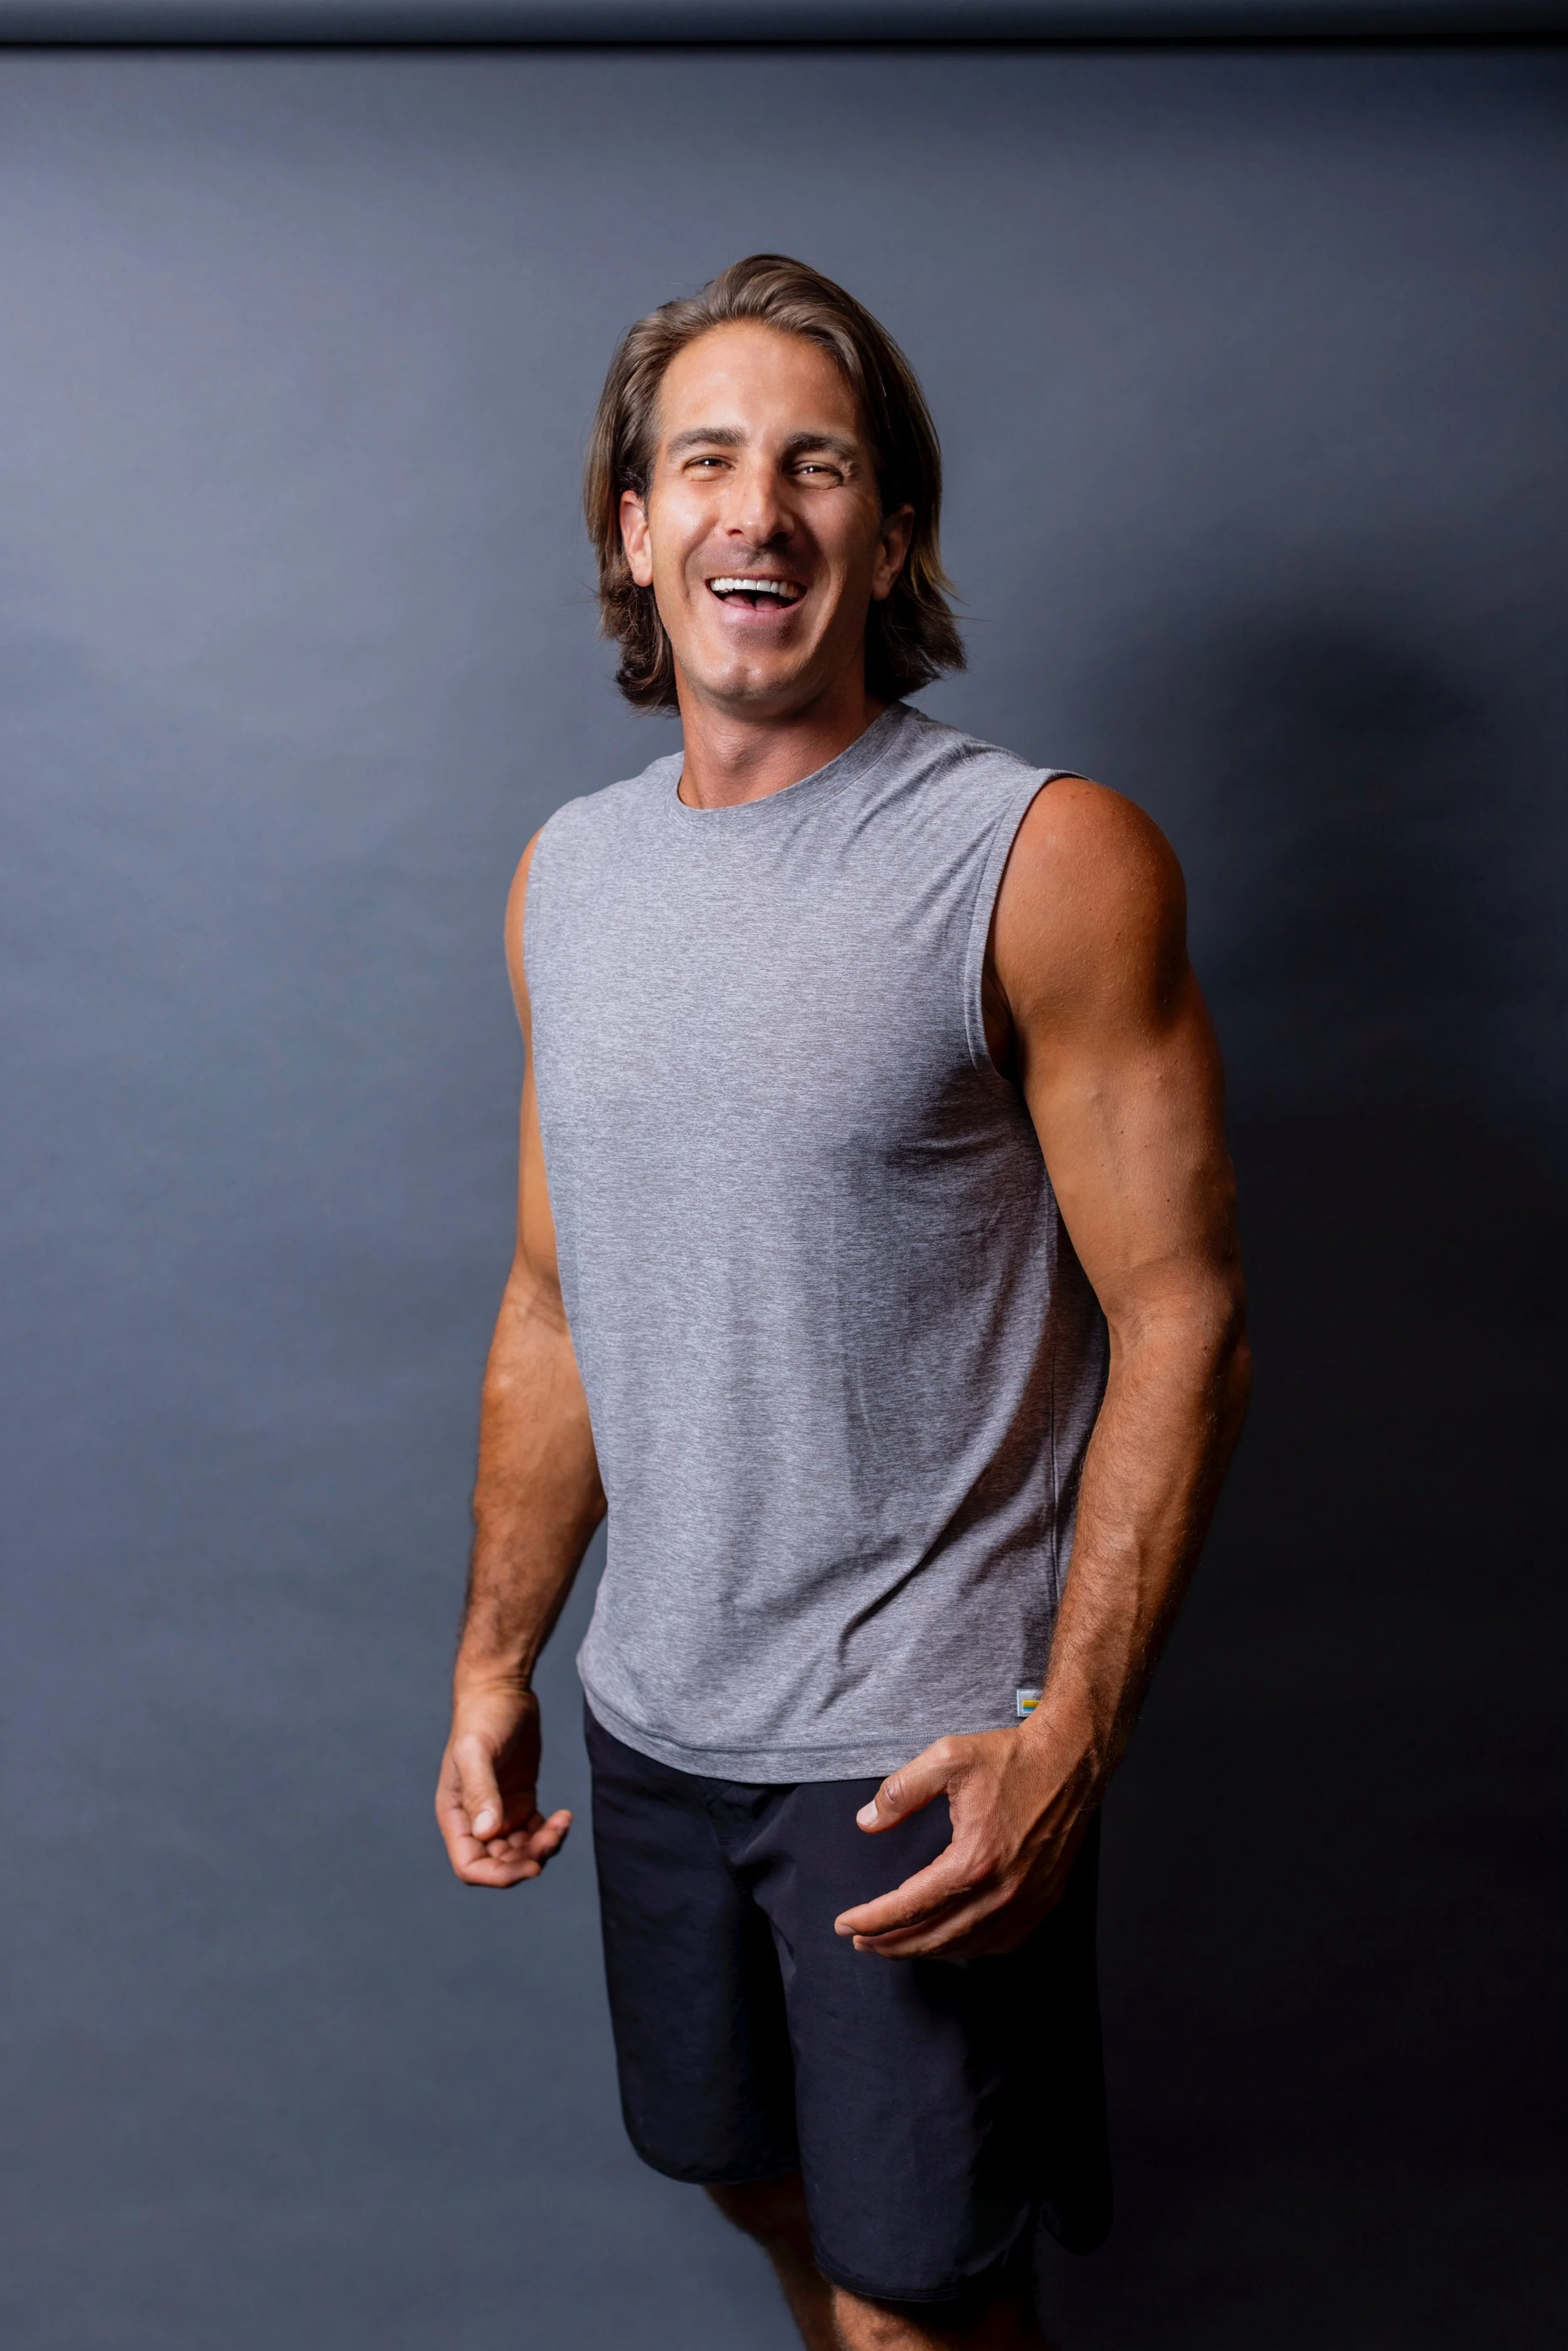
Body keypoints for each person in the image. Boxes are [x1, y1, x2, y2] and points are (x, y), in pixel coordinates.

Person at [435, 253, 1250, 2351]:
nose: (758, 511)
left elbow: (1182, 1315)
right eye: (703, 462)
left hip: (910, 1743)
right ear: (633, 529)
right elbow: (554, 1299)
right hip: (657, 1714)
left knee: (917, 2292)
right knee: (751, 2168)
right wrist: (499, 1656)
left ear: (889, 535)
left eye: (818, 466)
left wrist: (1071, 1733)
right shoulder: (567, 879)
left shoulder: (1042, 859)